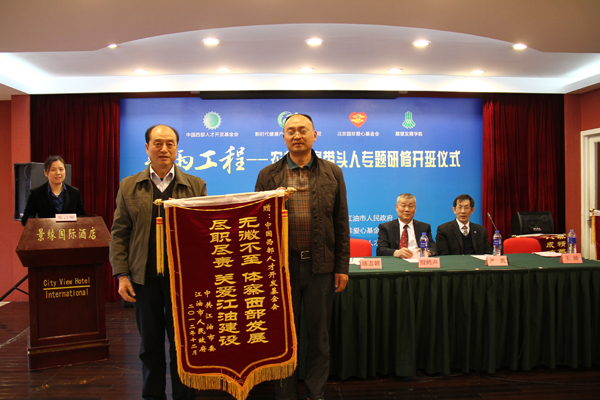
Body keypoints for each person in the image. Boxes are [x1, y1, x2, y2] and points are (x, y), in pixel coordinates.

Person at [255, 113, 350, 400]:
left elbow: (341, 222)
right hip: (281, 269)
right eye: (291, 131)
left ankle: (315, 393)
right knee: (283, 337)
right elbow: (256, 222)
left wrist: (342, 267)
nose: (297, 135)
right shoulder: (268, 175)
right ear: (283, 137)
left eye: (303, 130)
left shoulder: (333, 172)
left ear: (314, 135)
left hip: (321, 267)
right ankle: (284, 394)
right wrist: (274, 204)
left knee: (319, 338)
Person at [109, 124, 207, 400]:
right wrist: (122, 275)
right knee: (149, 346)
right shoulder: (129, 185)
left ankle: (184, 396)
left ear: (177, 148)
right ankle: (152, 396)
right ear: (147, 147)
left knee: (183, 345)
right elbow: (119, 234)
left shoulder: (196, 185)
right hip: (144, 279)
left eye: (170, 143)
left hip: (182, 281)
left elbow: (204, 231)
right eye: (158, 143)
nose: (164, 149)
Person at [21, 155, 87, 226]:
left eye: (61, 169)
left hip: (69, 231)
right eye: (53, 170)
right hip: (47, 231)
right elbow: (25, 220)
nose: (58, 173)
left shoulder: (74, 192)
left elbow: (83, 216)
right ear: (45, 172)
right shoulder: (36, 193)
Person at [376, 193, 437, 258]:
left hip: (418, 260)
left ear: (415, 208)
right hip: (397, 261)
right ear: (396, 207)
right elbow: (380, 250)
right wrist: (397, 252)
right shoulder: (386, 227)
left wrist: (427, 252)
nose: (407, 209)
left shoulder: (424, 227)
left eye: (410, 206)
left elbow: (434, 248)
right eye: (403, 206)